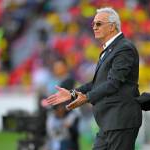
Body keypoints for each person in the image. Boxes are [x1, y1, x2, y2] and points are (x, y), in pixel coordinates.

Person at [42, 7, 142, 150]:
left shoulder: (124, 48)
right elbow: (97, 83)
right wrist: (72, 94)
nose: (94, 27)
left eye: (99, 24)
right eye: (93, 24)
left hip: (121, 120)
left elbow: (113, 83)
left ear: (112, 26)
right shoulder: (109, 49)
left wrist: (87, 97)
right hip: (109, 122)